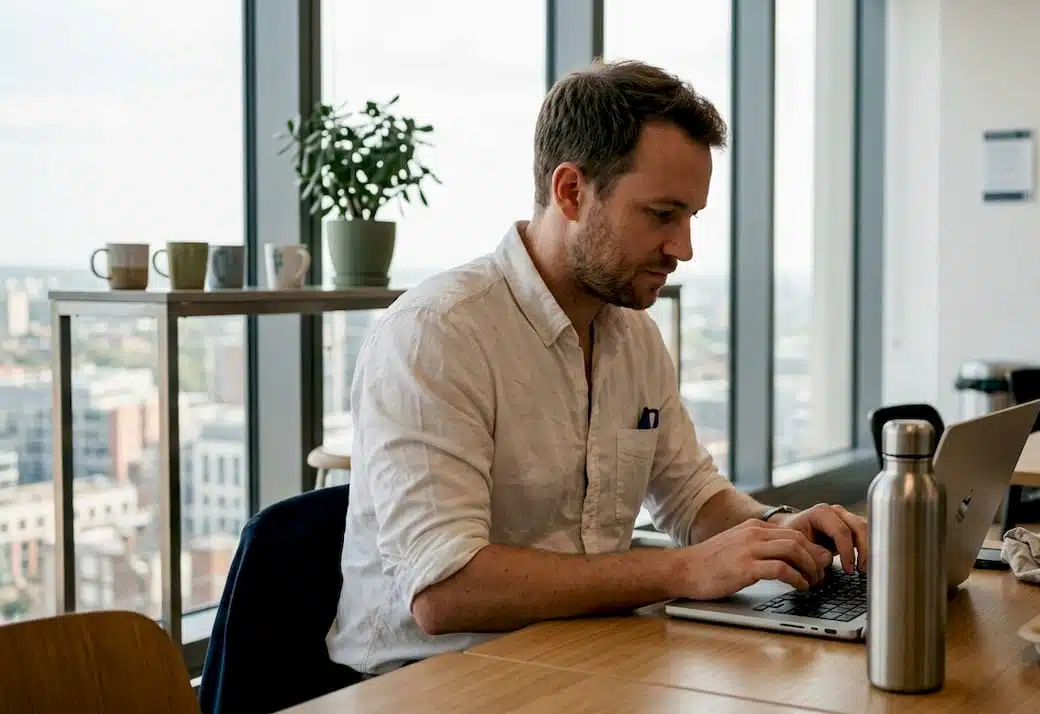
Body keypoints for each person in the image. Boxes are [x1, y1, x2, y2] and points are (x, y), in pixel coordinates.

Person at [325, 59, 870, 676]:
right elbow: (446, 591)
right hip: (429, 682)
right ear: (571, 193)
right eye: (661, 214)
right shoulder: (437, 333)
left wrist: (780, 530)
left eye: (690, 217)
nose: (684, 248)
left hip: (581, 655)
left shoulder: (633, 334)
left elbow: (691, 498)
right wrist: (682, 569)